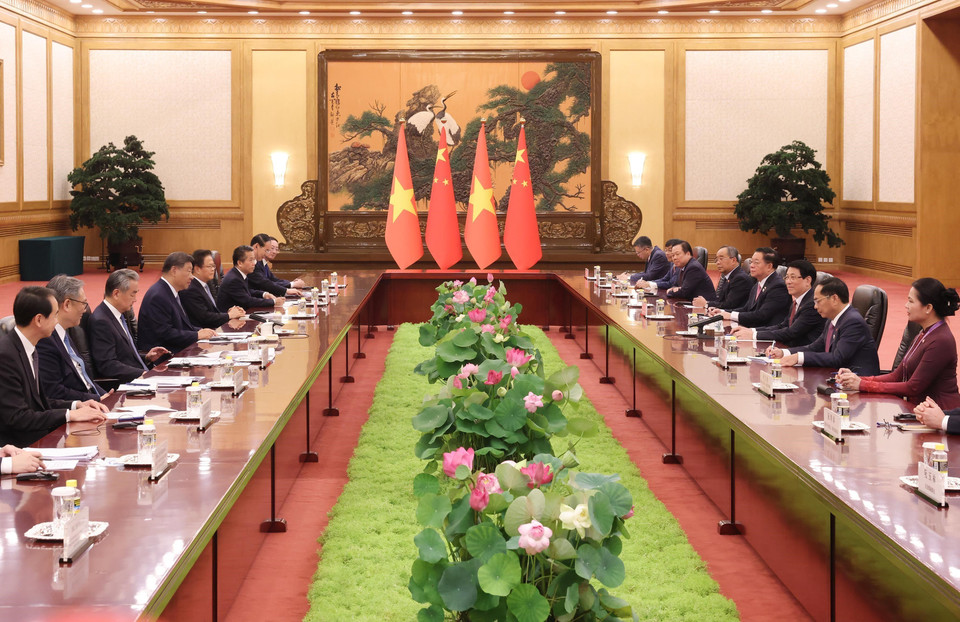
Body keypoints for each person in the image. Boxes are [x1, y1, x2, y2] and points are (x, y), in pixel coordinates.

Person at [0, 287, 107, 447]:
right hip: (19, 447)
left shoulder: (29, 347)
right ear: (38, 320)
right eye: (55, 315)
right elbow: (17, 417)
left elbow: (40, 403)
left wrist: (77, 405)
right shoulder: (6, 356)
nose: (57, 321)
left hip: (37, 437)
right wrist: (69, 415)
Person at [838, 278, 960, 408]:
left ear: (928, 308)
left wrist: (863, 385)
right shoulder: (924, 333)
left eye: (911, 301)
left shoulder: (941, 340)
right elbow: (897, 375)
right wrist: (856, 379)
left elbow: (913, 387)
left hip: (941, 413)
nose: (906, 305)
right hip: (920, 409)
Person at [767, 276, 880, 375]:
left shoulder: (853, 322)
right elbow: (815, 347)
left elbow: (837, 358)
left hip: (858, 384)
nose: (815, 306)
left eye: (817, 301)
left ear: (834, 299)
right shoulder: (833, 318)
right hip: (836, 377)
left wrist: (799, 358)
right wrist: (783, 353)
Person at [37, 275, 111, 403]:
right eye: (83, 303)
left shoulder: (64, 333)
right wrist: (97, 399)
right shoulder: (46, 340)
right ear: (67, 304)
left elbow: (85, 379)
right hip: (76, 410)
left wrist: (107, 397)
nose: (85, 309)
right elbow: (53, 391)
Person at [88, 269, 170, 384]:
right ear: (116, 293)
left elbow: (124, 356)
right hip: (127, 385)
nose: (135, 299)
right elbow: (107, 365)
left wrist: (146, 357)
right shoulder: (101, 321)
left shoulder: (120, 314)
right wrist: (142, 374)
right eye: (133, 294)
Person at [731, 259, 824, 348]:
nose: (788, 281)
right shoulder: (797, 301)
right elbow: (783, 326)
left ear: (808, 280)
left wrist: (754, 335)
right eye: (787, 277)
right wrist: (751, 330)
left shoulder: (812, 304)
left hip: (803, 355)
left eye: (793, 277)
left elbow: (791, 332)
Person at [137, 252, 217, 352]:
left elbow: (180, 326)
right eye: (189, 271)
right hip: (163, 356)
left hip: (177, 349)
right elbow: (165, 334)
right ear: (174, 270)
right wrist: (196, 335)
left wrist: (200, 331)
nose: (192, 277)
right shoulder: (158, 295)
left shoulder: (170, 291)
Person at [709, 247, 790, 327]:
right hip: (752, 329)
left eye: (756, 262)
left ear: (769, 266)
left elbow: (762, 315)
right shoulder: (758, 284)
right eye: (751, 262)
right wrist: (722, 312)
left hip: (766, 334)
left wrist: (730, 316)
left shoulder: (778, 287)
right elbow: (746, 309)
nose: (751, 266)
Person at [181, 249, 245, 329]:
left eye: (213, 266)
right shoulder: (191, 289)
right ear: (197, 269)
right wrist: (229, 315)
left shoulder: (206, 284)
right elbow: (204, 317)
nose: (213, 269)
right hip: (201, 334)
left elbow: (212, 312)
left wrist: (230, 312)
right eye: (209, 266)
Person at [218, 245, 278, 311]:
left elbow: (247, 291)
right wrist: (274, 302)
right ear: (240, 263)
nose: (254, 263)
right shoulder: (234, 279)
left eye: (254, 259)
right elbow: (248, 301)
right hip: (230, 318)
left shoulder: (239, 274)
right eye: (251, 260)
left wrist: (264, 294)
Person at [693, 245, 753, 310]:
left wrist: (706, 304)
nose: (718, 263)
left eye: (721, 259)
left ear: (733, 260)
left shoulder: (740, 279)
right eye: (716, 259)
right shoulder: (728, 276)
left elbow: (729, 305)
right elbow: (720, 301)